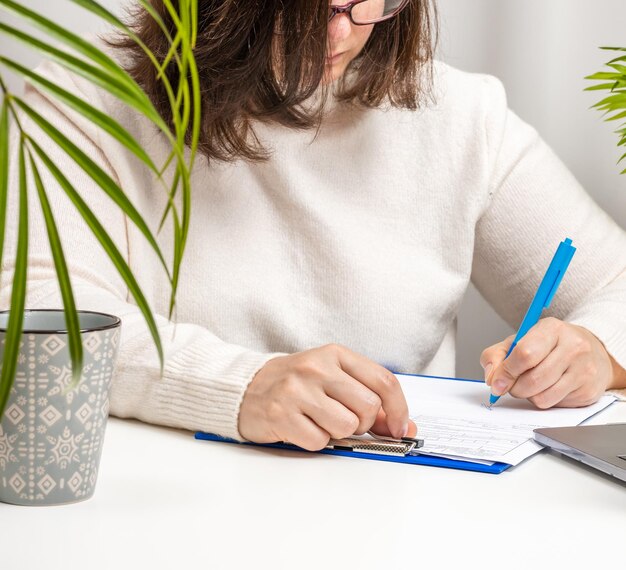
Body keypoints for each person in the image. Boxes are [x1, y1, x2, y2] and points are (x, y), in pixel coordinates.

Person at [3, 0, 626, 451]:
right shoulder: (83, 104)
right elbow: (36, 314)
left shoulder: (460, 117)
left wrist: (597, 351)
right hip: (164, 516)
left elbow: (614, 282)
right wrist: (240, 387)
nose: (343, 30)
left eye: (368, 4)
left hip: (408, 520)